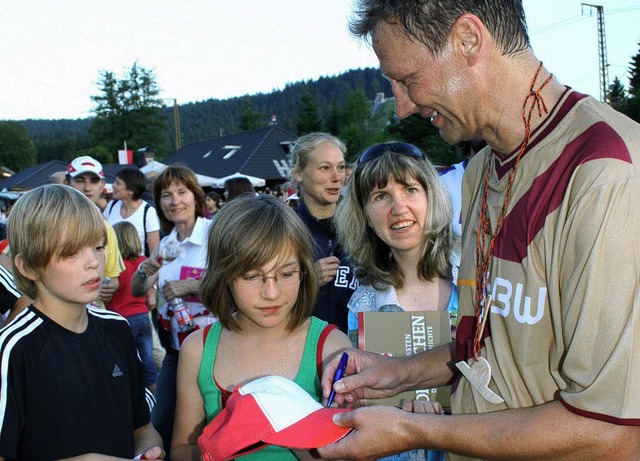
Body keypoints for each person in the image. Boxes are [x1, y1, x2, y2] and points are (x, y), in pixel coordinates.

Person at [317, 1, 640, 460]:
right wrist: (397, 373)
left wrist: (413, 431)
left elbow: (615, 431)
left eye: (407, 79)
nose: (402, 106)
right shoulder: (482, 169)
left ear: (468, 39)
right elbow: (487, 345)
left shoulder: (605, 174)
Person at [171, 193, 351, 460]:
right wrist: (221, 445)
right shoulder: (197, 350)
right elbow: (181, 450)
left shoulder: (332, 348)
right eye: (252, 276)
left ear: (305, 271)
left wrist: (301, 437)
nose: (271, 293)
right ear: (223, 275)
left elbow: (349, 451)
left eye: (287, 274)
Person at [0, 184, 164, 460]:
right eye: (70, 252)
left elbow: (143, 427)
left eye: (98, 247)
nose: (93, 262)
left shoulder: (117, 329)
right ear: (27, 267)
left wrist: (149, 450)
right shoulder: (12, 350)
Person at [335, 142, 457, 461]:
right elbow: (359, 410)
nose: (398, 208)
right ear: (365, 213)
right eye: (381, 196)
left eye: (410, 190)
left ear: (431, 195)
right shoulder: (362, 306)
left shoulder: (478, 281)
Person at [132, 164, 216, 455]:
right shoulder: (167, 245)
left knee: (211, 427)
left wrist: (191, 286)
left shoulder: (214, 235)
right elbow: (136, 288)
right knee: (162, 421)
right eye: (166, 195)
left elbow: (237, 283)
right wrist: (146, 270)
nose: (175, 201)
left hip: (216, 350)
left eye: (182, 192)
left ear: (196, 197)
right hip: (176, 353)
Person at [290, 132, 358, 333]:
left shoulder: (363, 225)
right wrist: (307, 282)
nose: (337, 177)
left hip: (360, 350)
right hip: (303, 350)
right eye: (325, 168)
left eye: (340, 167)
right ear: (298, 173)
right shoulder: (283, 229)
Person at [65, 155, 124, 308]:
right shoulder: (48, 221)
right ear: (66, 183)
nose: (87, 187)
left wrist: (109, 287)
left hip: (91, 315)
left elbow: (113, 278)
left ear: (102, 185)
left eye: (94, 181)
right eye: (79, 180)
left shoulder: (106, 227)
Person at [108, 221, 159, 393]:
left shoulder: (115, 266)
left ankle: (131, 400)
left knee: (124, 366)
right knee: (148, 364)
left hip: (122, 318)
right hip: (143, 316)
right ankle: (155, 404)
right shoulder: (143, 262)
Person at [105, 166, 161, 257]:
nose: (113, 185)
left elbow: (154, 252)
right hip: (111, 267)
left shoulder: (148, 212)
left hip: (135, 268)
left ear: (131, 190)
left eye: (118, 183)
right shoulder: (111, 206)